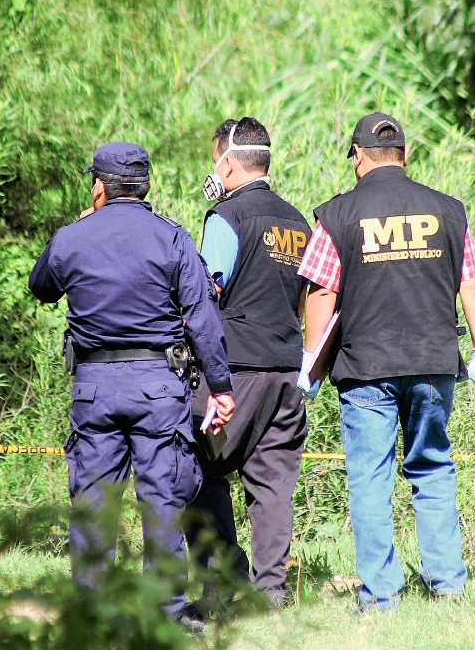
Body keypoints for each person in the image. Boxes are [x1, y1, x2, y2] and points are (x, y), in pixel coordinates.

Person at [296, 112, 475, 614]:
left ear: (357, 157)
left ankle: (380, 597)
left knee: (370, 479)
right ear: (405, 155)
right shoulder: (447, 211)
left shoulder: (337, 214)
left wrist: (310, 362)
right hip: (434, 363)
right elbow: (471, 285)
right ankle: (448, 585)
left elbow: (322, 291)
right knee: (432, 467)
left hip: (365, 368)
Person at [28, 142, 235, 630]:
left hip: (94, 390)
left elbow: (41, 286)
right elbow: (203, 319)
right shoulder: (172, 237)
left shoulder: (73, 237)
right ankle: (163, 615)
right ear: (146, 187)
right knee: (162, 502)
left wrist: (78, 229)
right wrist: (221, 386)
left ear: (98, 187)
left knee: (94, 504)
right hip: (159, 389)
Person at [185, 118, 310, 609]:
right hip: (286, 370)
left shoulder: (226, 217)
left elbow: (205, 295)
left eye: (213, 159)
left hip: (235, 370)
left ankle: (222, 585)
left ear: (228, 162)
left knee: (194, 468)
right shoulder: (297, 222)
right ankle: (270, 593)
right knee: (273, 483)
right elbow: (306, 299)